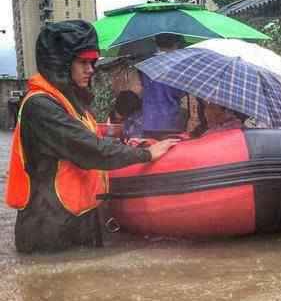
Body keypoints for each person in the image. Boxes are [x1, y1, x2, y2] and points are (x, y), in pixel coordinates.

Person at [5, 20, 180, 253]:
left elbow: (87, 138)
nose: (91, 69)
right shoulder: (40, 106)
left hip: (76, 218)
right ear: (61, 64)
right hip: (49, 228)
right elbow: (91, 150)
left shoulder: (69, 101)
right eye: (83, 62)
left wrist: (124, 139)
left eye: (92, 62)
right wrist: (146, 154)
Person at [140, 33, 188, 139]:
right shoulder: (177, 65)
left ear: (156, 43)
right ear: (177, 43)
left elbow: (145, 88)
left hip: (149, 121)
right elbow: (178, 92)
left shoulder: (146, 64)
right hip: (170, 121)